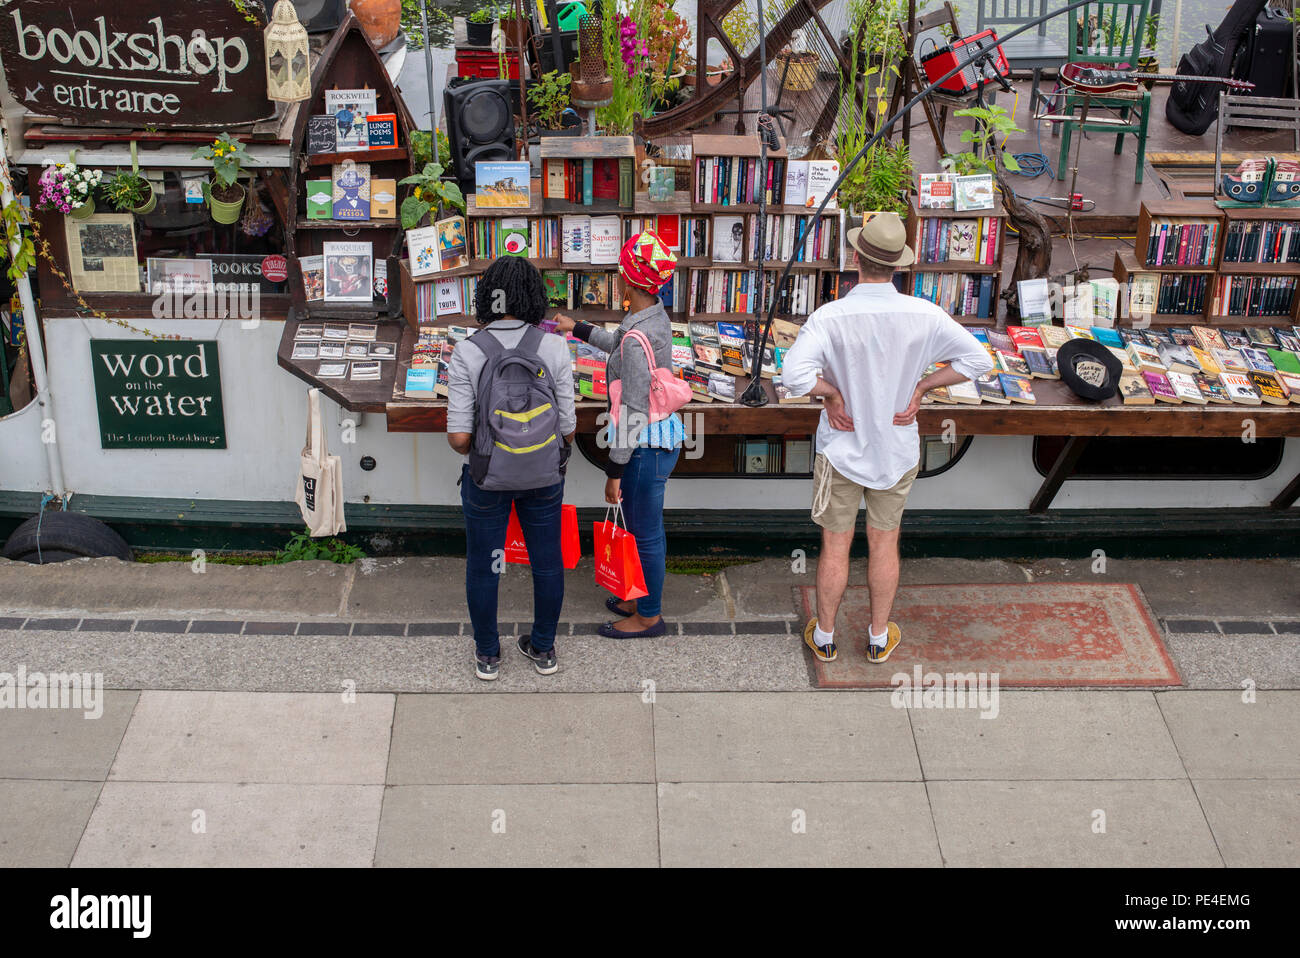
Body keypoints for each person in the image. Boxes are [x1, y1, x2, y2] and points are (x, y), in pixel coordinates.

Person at [780, 212, 992, 664]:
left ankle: (826, 635)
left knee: (835, 545)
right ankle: (878, 638)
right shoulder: (925, 315)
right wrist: (922, 387)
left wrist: (831, 394)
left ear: (856, 259)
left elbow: (793, 377)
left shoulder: (829, 316)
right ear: (898, 266)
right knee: (884, 541)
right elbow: (978, 360)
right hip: (896, 450)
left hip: (840, 451)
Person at [446, 257, 577, 680]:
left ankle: (488, 654)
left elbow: (459, 439)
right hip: (544, 477)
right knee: (547, 562)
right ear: (534, 297)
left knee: (483, 565)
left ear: (489, 297)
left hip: (488, 477)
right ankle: (543, 650)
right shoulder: (554, 347)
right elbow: (569, 427)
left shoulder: (468, 350)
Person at [555, 229, 681, 639]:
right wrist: (579, 329)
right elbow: (622, 342)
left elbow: (633, 412)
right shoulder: (652, 315)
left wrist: (613, 472)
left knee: (646, 533)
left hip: (644, 447)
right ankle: (638, 597)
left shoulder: (636, 332)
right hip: (658, 440)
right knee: (641, 527)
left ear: (628, 278)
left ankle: (649, 617)